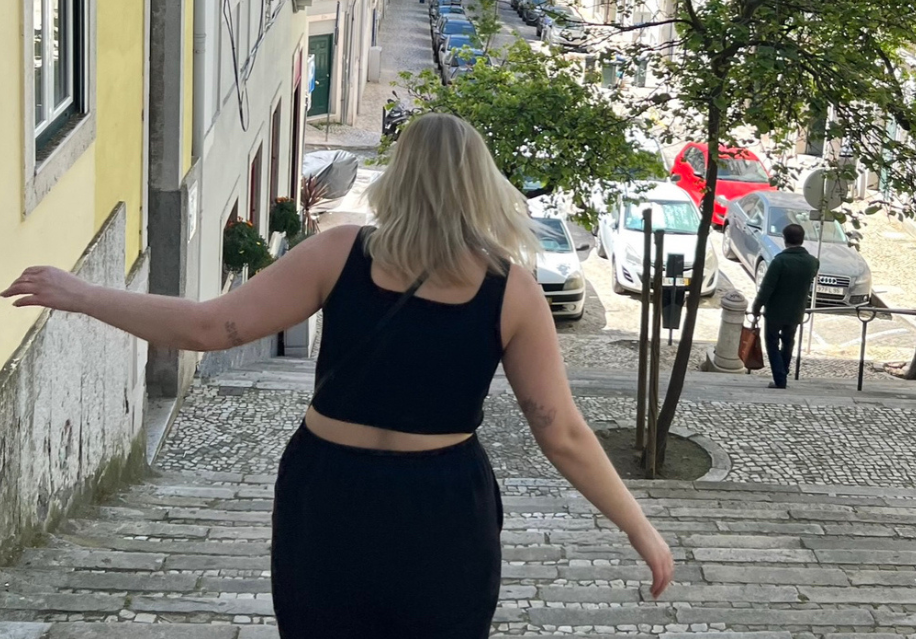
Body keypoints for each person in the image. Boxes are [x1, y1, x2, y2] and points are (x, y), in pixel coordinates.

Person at [2, 113, 674, 638]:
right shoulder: (512, 291)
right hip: (442, 509)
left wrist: (82, 293)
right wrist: (639, 527)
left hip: (329, 494)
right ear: (481, 185)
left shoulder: (338, 253)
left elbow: (206, 327)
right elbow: (561, 433)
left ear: (399, 177)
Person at [751, 223, 819, 389]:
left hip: (775, 311)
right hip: (796, 311)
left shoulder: (779, 261)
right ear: (802, 239)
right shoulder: (812, 262)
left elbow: (766, 287)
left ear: (785, 239)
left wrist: (756, 307)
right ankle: (784, 370)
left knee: (772, 343)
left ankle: (780, 378)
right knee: (789, 342)